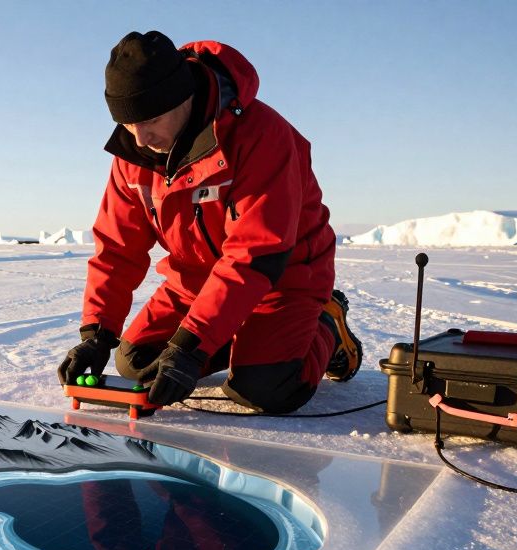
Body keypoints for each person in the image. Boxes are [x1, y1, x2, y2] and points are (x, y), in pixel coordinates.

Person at [58, 31, 361, 414]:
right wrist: (97, 334)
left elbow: (255, 255)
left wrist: (190, 345)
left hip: (282, 280)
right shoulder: (135, 151)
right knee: (136, 364)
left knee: (266, 389)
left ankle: (326, 327)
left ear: (182, 96)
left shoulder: (262, 136)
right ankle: (236, 338)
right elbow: (117, 249)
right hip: (196, 283)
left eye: (151, 119)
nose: (141, 137)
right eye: (128, 123)